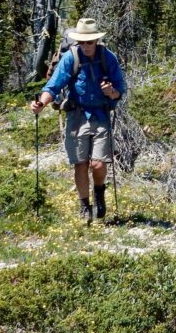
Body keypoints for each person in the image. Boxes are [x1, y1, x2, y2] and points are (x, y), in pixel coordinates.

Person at [30, 18, 127, 224]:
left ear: (96, 41)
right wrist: (42, 103)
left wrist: (111, 92)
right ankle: (85, 207)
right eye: (82, 42)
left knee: (99, 164)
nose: (85, 46)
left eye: (89, 42)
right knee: (80, 164)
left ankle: (99, 193)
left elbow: (121, 90)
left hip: (101, 114)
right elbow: (53, 86)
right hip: (77, 116)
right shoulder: (70, 58)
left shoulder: (107, 58)